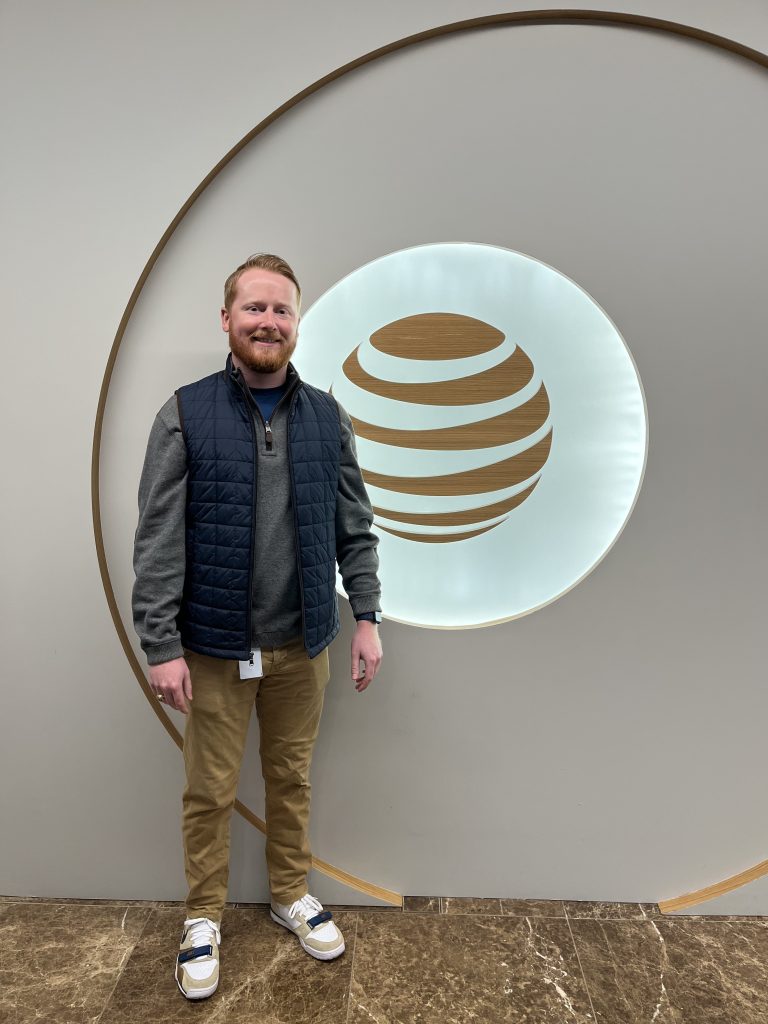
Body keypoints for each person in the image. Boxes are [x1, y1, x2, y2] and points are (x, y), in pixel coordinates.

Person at [132, 253, 382, 1000]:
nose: (268, 322)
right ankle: (202, 918)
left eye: (281, 311)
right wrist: (160, 643)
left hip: (304, 645)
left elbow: (355, 526)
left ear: (297, 324)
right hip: (210, 649)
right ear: (227, 319)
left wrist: (366, 616)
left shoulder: (328, 416)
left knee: (291, 779)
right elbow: (158, 537)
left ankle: (287, 894)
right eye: (254, 308)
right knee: (209, 791)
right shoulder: (184, 411)